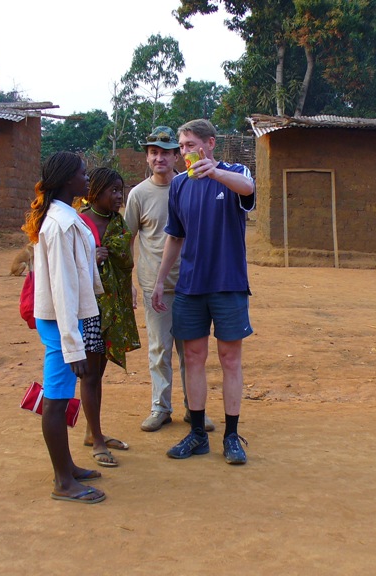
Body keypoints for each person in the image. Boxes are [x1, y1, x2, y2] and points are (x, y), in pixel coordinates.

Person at [151, 119, 255, 465]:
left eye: (191, 145)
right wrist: (160, 280)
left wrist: (215, 174)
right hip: (190, 287)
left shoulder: (233, 171)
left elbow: (247, 187)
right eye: (182, 147)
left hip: (228, 284)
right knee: (192, 359)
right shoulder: (179, 185)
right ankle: (197, 433)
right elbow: (175, 237)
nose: (185, 153)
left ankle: (231, 435)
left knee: (230, 360)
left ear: (210, 144)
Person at [21, 151, 106, 504]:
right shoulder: (59, 224)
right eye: (82, 174)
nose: (87, 180)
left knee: (61, 397)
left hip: (65, 319)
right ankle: (62, 482)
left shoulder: (65, 217)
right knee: (55, 402)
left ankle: (67, 466)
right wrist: (73, 345)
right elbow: (62, 288)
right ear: (67, 180)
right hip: (59, 321)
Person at [124, 126, 214, 433]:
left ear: (177, 155)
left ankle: (194, 408)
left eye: (165, 152)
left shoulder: (190, 186)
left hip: (190, 284)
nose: (159, 158)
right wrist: (130, 285)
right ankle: (160, 407)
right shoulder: (138, 195)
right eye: (153, 153)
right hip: (155, 287)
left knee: (191, 351)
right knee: (160, 349)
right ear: (147, 157)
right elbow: (128, 240)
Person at [77, 167, 141, 466]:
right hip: (88, 309)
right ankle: (97, 440)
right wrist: (94, 257)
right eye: (114, 190)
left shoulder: (117, 222)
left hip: (111, 307)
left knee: (98, 373)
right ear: (97, 191)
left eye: (121, 190)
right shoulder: (80, 221)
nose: (119, 196)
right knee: (90, 375)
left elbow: (127, 260)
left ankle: (93, 431)